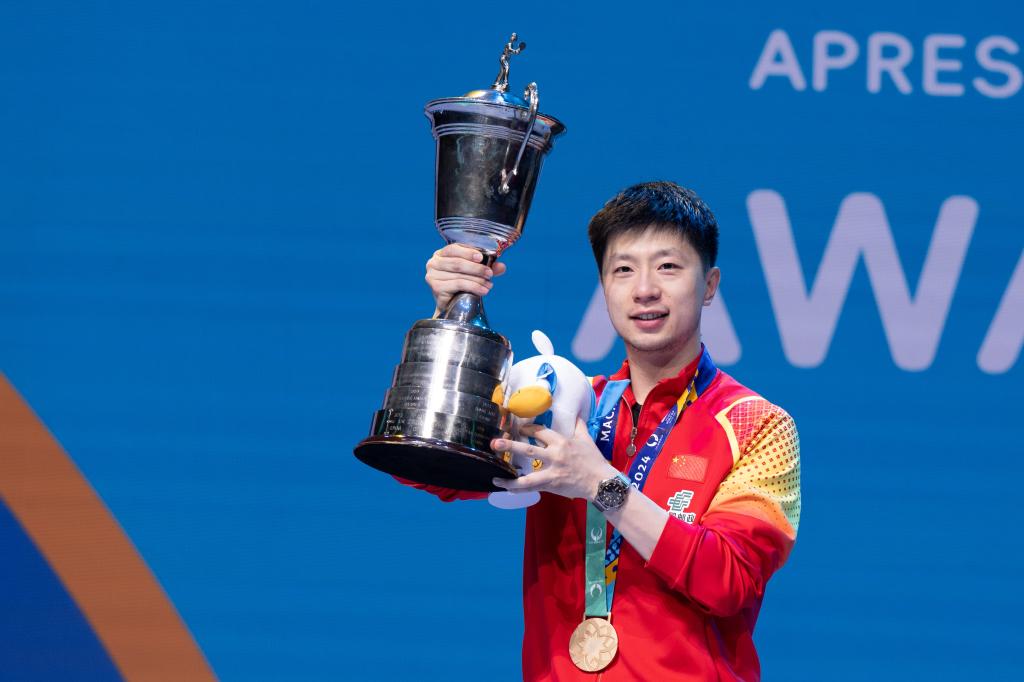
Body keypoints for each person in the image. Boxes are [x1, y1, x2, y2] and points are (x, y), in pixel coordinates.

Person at [412, 181, 801, 681]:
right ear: (603, 286)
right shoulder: (562, 402)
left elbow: (729, 582)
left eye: (668, 266)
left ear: (709, 285)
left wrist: (601, 484)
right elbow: (431, 463)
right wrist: (451, 316)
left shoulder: (757, 424)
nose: (644, 289)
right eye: (623, 269)